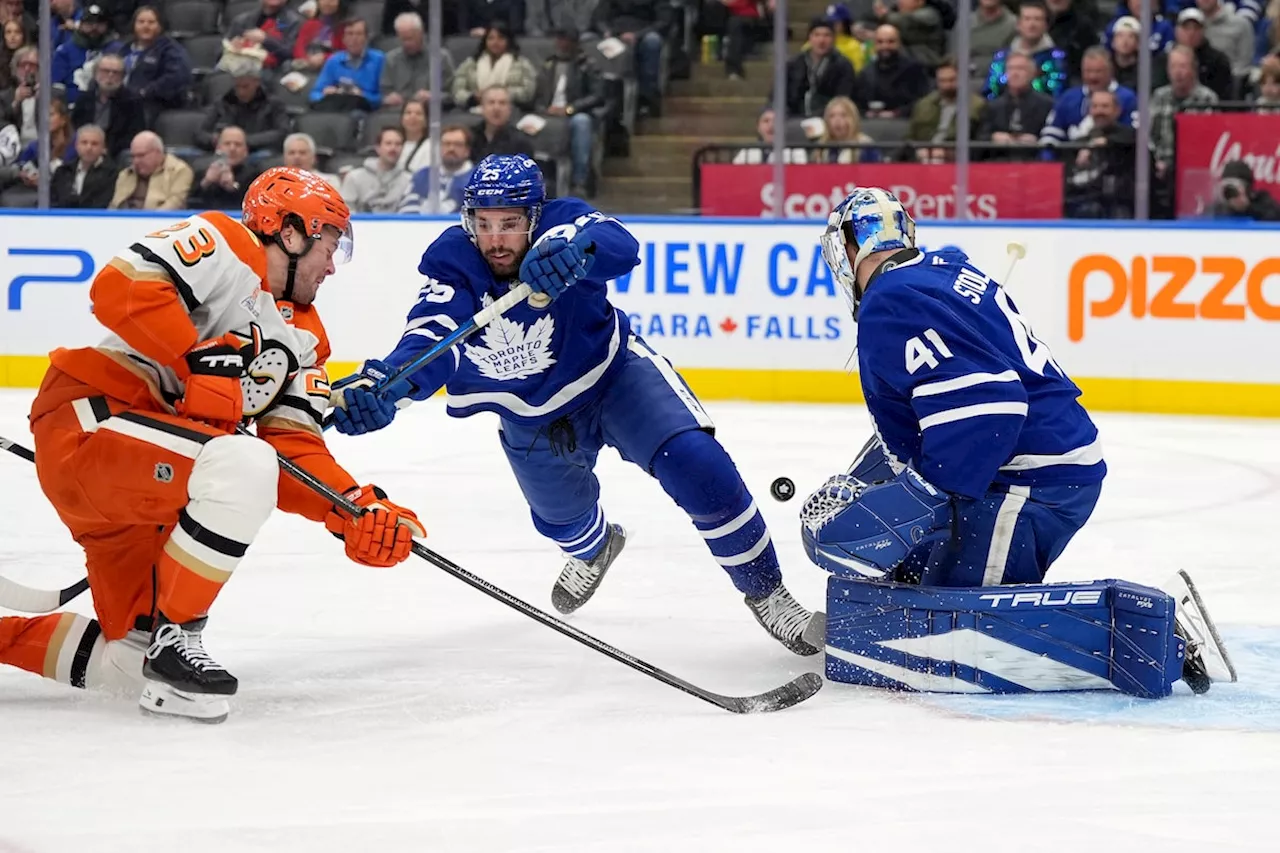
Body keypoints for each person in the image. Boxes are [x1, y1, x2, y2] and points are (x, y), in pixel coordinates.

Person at [329, 155, 823, 656]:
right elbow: (433, 334)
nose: (495, 240)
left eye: (509, 224)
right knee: (565, 521)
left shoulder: (563, 225)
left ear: (535, 217)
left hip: (615, 378)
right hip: (529, 413)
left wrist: (575, 249)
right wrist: (389, 382)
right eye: (483, 224)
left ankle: (768, 592)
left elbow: (619, 245)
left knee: (699, 465)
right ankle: (595, 549)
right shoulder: (452, 262)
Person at [0, 168, 424, 723]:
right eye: (328, 244)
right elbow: (117, 290)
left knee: (129, 666)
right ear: (290, 231)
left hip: (154, 487)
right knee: (244, 462)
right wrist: (194, 356)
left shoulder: (306, 340)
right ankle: (179, 638)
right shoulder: (226, 242)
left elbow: (294, 448)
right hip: (93, 423)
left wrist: (352, 508)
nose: (331, 265)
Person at [804, 186, 1234, 695]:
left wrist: (912, 500)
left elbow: (990, 406)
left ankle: (1151, 636)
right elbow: (946, 408)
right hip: (1029, 468)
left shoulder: (892, 299)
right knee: (920, 586)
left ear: (847, 248)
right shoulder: (935, 273)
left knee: (961, 635)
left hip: (1029, 481)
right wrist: (878, 485)